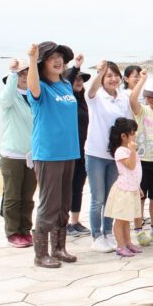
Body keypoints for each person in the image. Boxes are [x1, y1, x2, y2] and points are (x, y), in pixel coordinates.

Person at [25, 41, 79, 268]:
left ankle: (59, 248)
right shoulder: (40, 88)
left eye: (60, 57)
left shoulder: (66, 85)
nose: (58, 61)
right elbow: (33, 87)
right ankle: (40, 254)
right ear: (41, 63)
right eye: (51, 58)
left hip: (70, 152)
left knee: (64, 202)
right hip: (48, 154)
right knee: (49, 204)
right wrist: (31, 59)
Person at [86, 61, 132, 253]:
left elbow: (129, 125)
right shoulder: (96, 97)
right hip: (96, 153)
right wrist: (100, 73)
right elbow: (90, 90)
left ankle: (108, 232)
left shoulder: (123, 97)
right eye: (108, 75)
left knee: (112, 197)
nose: (113, 79)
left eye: (115, 75)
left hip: (116, 156)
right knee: (98, 198)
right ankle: (96, 236)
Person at [0, 57, 36, 248]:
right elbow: (4, 99)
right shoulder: (10, 98)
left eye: (26, 73)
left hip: (31, 155)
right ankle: (12, 232)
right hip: (12, 155)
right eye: (21, 74)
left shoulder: (33, 97)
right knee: (13, 196)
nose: (24, 76)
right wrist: (13, 72)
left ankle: (25, 230)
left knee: (28, 197)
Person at [129, 70, 153, 245]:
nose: (151, 101)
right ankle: (138, 230)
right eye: (148, 97)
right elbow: (132, 100)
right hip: (142, 161)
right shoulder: (143, 110)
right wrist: (142, 80)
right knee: (140, 197)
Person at [104, 118, 143, 257]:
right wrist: (133, 151)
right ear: (124, 136)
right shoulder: (121, 151)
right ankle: (120, 245)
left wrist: (138, 186)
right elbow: (130, 166)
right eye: (132, 133)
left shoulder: (129, 149)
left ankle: (128, 243)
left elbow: (135, 171)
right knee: (120, 219)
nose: (135, 135)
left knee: (127, 218)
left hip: (132, 188)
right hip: (123, 190)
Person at [64, 55, 91, 237]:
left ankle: (75, 221)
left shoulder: (85, 101)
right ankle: (63, 222)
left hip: (83, 150)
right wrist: (75, 67)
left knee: (78, 187)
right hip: (67, 151)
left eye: (81, 79)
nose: (79, 82)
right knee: (65, 187)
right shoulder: (66, 101)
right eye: (76, 79)